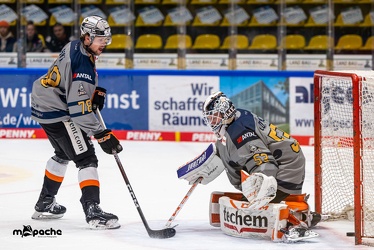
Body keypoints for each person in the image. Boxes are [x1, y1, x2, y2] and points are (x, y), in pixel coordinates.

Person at [178, 91, 321, 241]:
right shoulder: (236, 118)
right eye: (210, 118)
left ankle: (298, 217)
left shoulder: (240, 132)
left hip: (287, 167)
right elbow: (229, 150)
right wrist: (205, 168)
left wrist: (258, 196)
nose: (212, 122)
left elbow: (266, 166)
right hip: (285, 160)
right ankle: (293, 207)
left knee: (257, 206)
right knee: (250, 196)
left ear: (226, 113)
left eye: (215, 116)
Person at [30, 15, 123, 230]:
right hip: (58, 111)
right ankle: (93, 211)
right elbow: (78, 111)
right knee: (86, 158)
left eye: (106, 39)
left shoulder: (75, 45)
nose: (105, 44)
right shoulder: (83, 66)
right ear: (87, 37)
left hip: (43, 103)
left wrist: (92, 94)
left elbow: (70, 82)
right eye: (101, 39)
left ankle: (45, 202)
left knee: (63, 153)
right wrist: (102, 134)